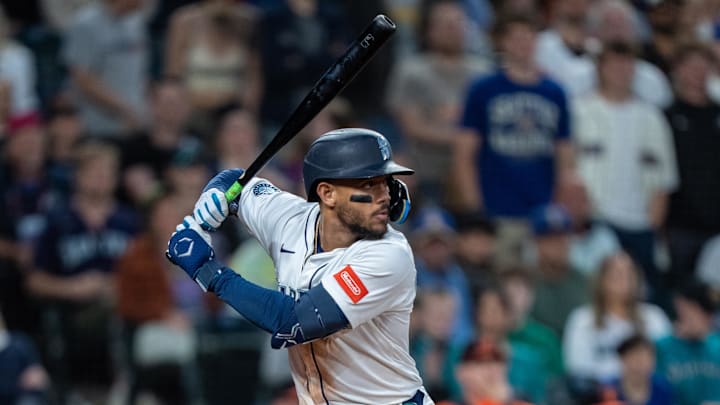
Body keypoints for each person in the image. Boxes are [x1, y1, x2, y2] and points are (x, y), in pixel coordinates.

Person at [166, 128, 434, 404]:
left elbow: (293, 321)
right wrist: (213, 196)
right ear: (327, 194)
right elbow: (236, 180)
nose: (385, 196)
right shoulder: (288, 219)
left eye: (386, 182)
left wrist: (209, 270)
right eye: (369, 184)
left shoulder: (389, 255)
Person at [453, 11, 574, 268]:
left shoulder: (555, 92)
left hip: (542, 213)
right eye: (516, 37)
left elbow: (565, 155)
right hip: (496, 209)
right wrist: (476, 209)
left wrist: (559, 206)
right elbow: (464, 153)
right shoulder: (483, 89)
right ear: (503, 43)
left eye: (529, 37)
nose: (523, 44)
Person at [572, 41, 678, 303]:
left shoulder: (651, 116)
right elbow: (567, 169)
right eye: (614, 64)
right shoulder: (580, 111)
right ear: (600, 68)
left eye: (627, 64)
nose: (621, 70)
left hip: (641, 224)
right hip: (597, 221)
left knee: (645, 298)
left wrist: (651, 225)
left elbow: (665, 179)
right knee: (597, 295)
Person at [563, 252, 671, 384]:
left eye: (629, 273)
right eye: (616, 273)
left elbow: (666, 363)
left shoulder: (654, 317)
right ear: (601, 280)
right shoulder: (582, 319)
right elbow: (578, 369)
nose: (623, 278)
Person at [655, 281, 720, 405]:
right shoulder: (661, 347)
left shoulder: (717, 346)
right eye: (689, 310)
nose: (694, 317)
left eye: (701, 312)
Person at [599, 334, 673, 405]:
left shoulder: (663, 387)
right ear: (623, 358)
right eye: (637, 357)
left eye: (647, 357)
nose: (643, 363)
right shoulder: (607, 388)